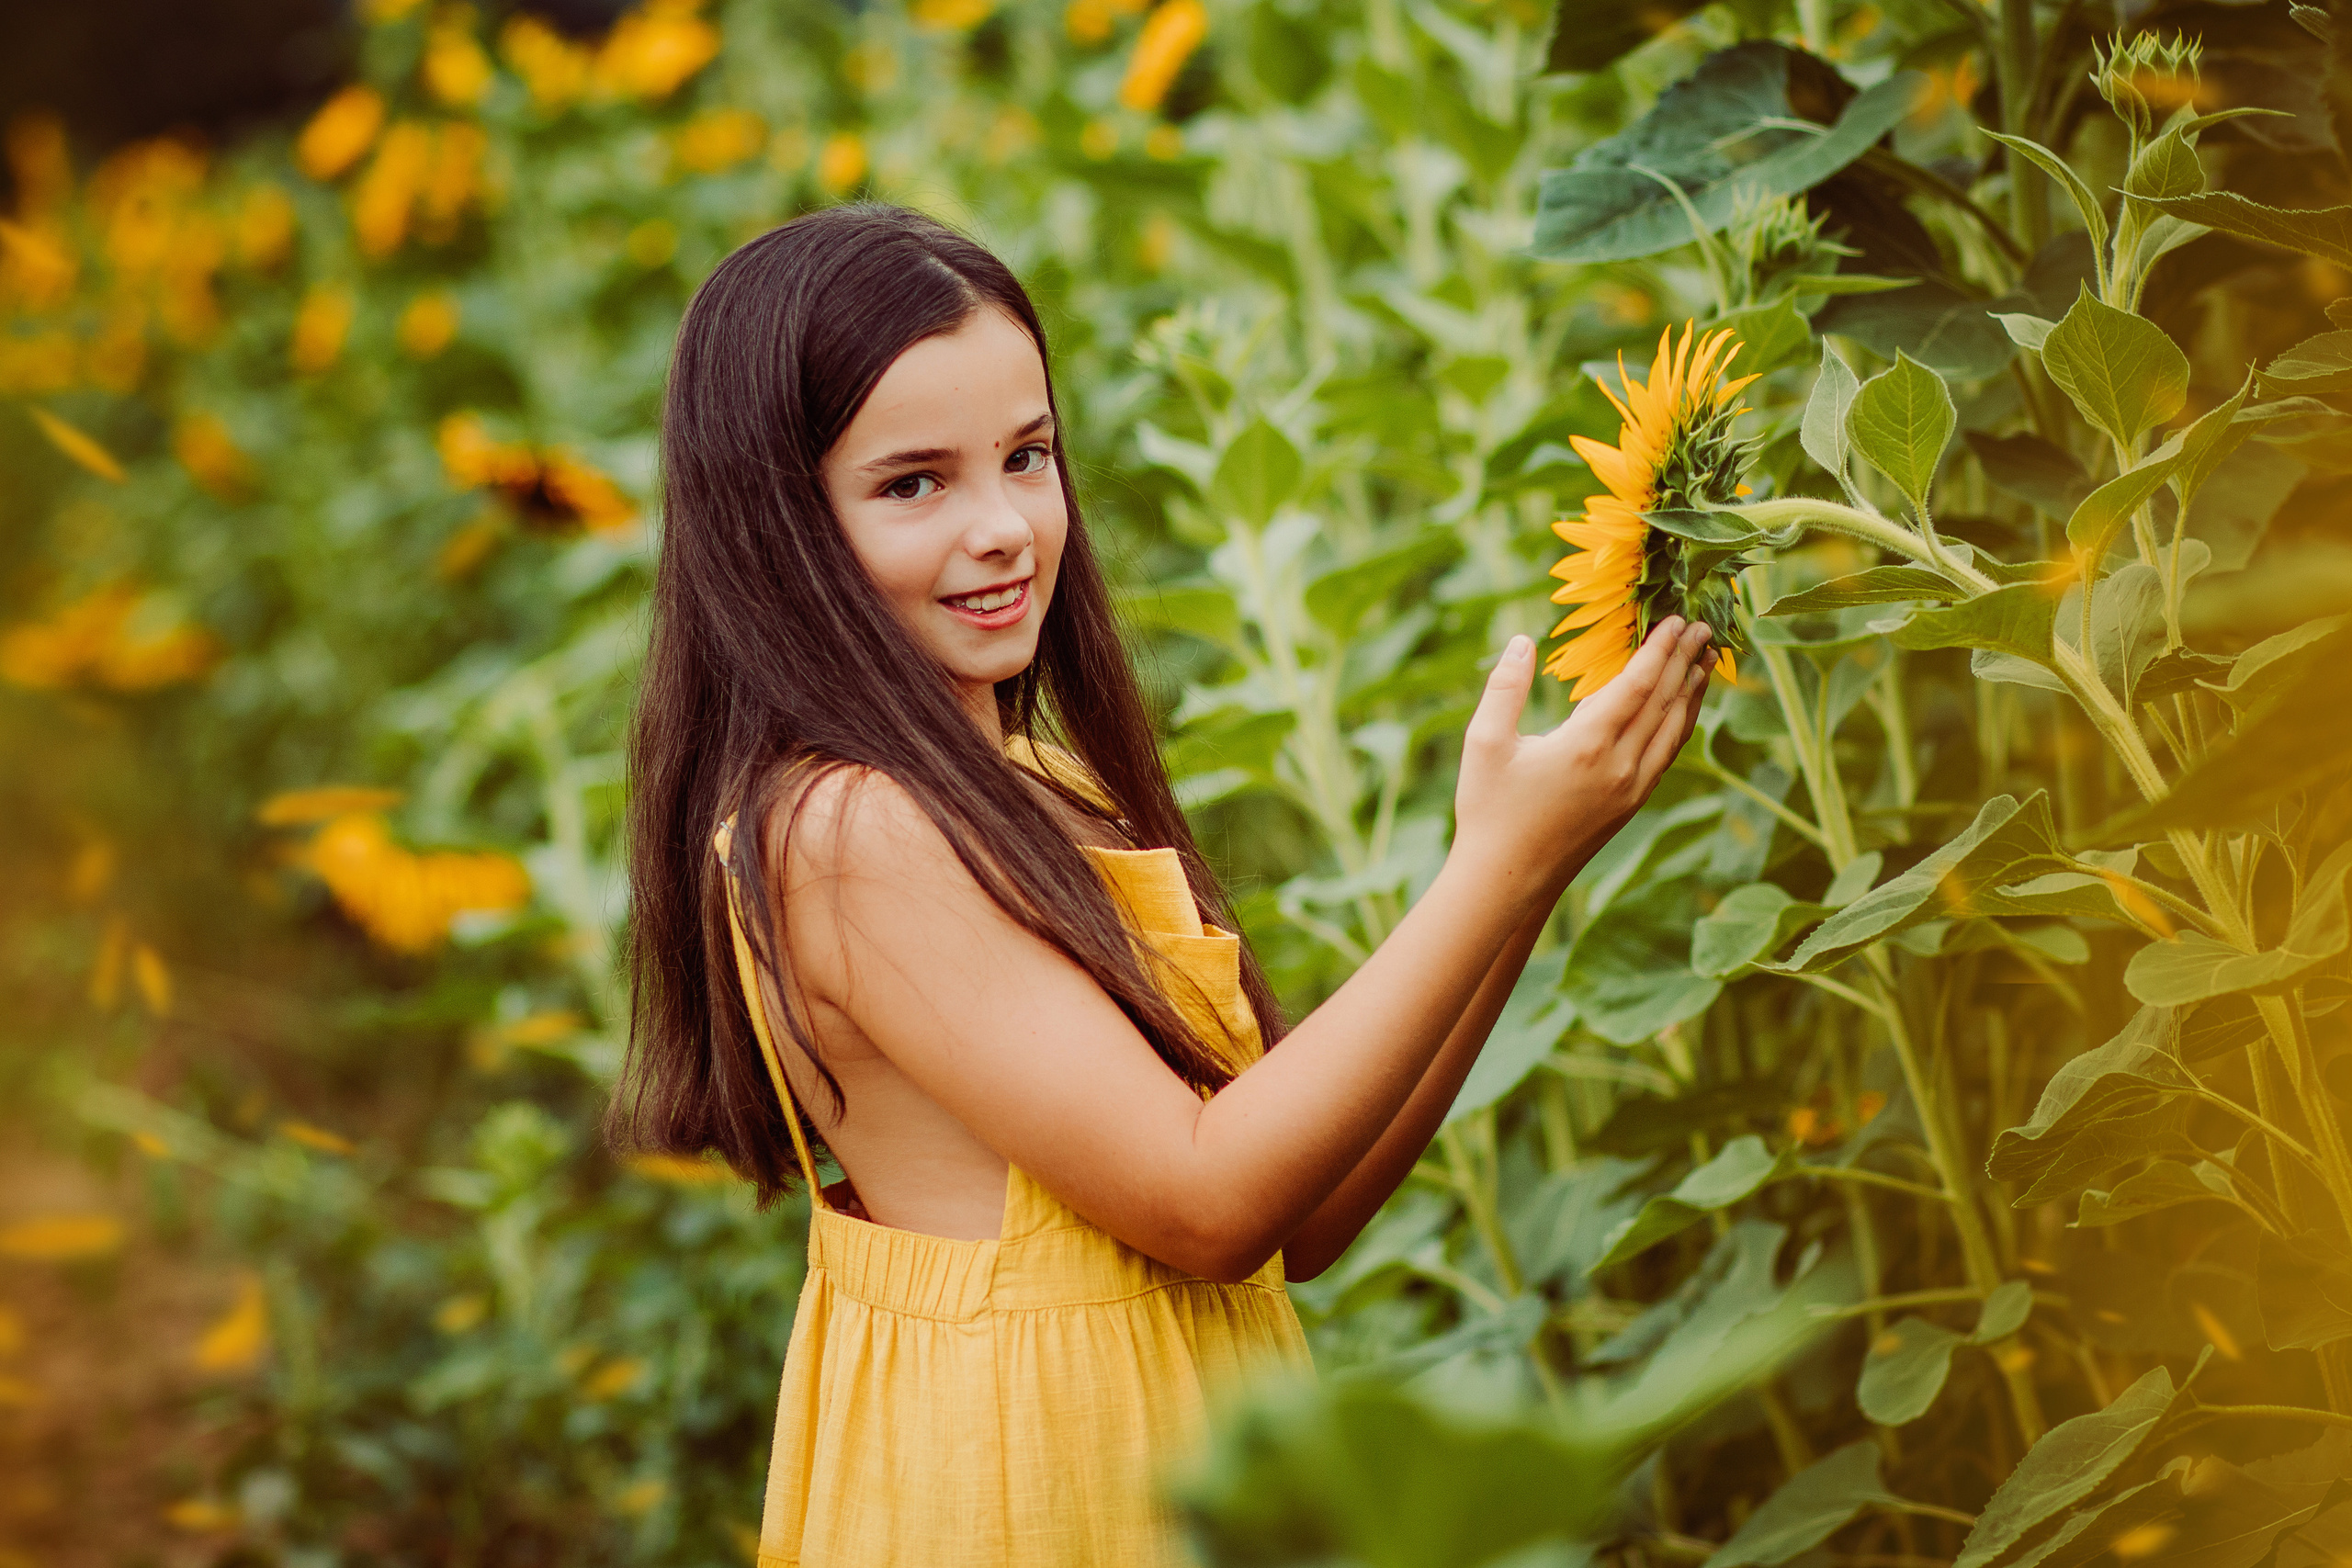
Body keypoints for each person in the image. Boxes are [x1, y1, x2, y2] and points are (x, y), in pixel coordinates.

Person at [612, 202, 1715, 1568]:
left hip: (1160, 1453)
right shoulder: (846, 830)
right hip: (1036, 1496)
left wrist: (1522, 871)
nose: (1005, 526)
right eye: (915, 484)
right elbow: (1209, 1206)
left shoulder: (1036, 783)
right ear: (779, 526)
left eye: (1028, 456)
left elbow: (1298, 1216)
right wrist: (1496, 866)